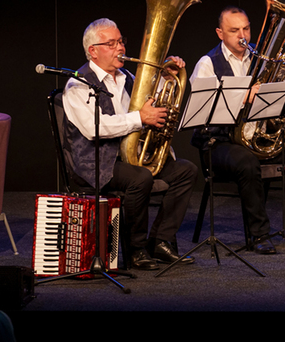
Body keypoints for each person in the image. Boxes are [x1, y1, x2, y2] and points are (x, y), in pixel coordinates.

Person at [189, 6, 285, 254]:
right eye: (234, 30)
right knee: (247, 162)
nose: (242, 35)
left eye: (246, 28)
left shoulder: (262, 56)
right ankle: (258, 234)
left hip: (255, 137)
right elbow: (202, 109)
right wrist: (241, 97)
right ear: (220, 33)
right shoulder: (207, 63)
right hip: (218, 142)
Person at [61, 18, 197, 269]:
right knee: (140, 178)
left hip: (129, 155)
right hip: (96, 160)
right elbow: (95, 129)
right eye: (111, 44)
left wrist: (167, 78)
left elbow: (150, 105)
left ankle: (161, 241)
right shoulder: (78, 84)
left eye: (121, 41)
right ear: (93, 51)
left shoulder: (128, 77)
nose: (120, 48)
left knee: (185, 170)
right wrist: (140, 118)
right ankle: (136, 249)